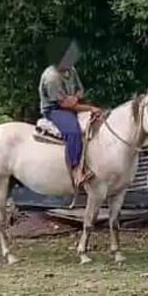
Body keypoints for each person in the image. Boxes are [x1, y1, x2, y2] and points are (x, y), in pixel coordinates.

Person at [39, 40, 102, 186]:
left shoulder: (71, 70)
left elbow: (80, 90)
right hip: (55, 110)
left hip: (71, 104)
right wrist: (90, 108)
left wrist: (75, 98)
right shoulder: (52, 78)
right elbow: (65, 105)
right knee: (73, 132)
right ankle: (76, 170)